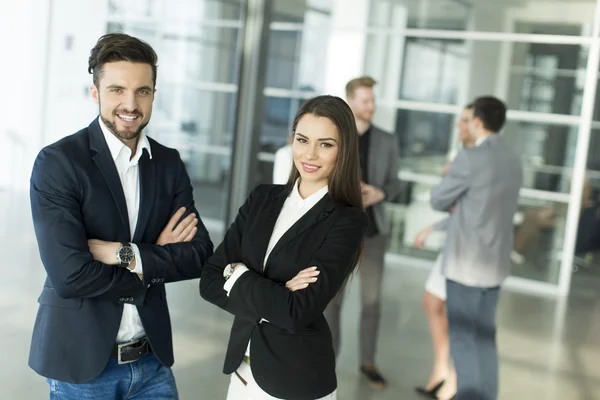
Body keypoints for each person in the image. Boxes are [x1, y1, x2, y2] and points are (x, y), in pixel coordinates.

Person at [29, 33, 214, 399]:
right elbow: (69, 275)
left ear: (153, 95)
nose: (130, 104)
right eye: (117, 90)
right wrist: (154, 260)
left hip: (151, 363)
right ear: (95, 92)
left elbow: (199, 255)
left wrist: (123, 253)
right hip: (82, 367)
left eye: (142, 91)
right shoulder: (60, 163)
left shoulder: (167, 163)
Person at [200, 95, 367, 399]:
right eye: (302, 140)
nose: (310, 154)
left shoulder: (347, 220)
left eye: (325, 144)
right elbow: (209, 281)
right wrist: (278, 294)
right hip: (242, 373)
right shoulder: (262, 198)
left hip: (295, 381)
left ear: (343, 151)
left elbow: (296, 312)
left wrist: (237, 275)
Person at [431, 96, 523, 400]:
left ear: (479, 122)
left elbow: (438, 200)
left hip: (466, 267)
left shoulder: (469, 158)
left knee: (463, 340)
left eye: (469, 119)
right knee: (485, 339)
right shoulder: (513, 158)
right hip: (495, 267)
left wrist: (455, 193)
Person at [323, 76, 403, 389]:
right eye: (366, 100)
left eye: (373, 100)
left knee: (372, 303)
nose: (372, 106)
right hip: (337, 233)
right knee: (332, 302)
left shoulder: (387, 140)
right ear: (351, 101)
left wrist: (379, 192)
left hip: (374, 233)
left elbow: (397, 184)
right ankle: (326, 362)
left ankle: (368, 362)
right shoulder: (335, 137)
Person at [413, 104, 474, 400]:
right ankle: (441, 369)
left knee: (460, 314)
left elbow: (465, 209)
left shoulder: (478, 162)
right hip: (453, 242)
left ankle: (453, 378)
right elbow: (456, 207)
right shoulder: (460, 158)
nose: (460, 125)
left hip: (470, 249)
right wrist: (433, 228)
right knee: (431, 302)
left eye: (465, 120)